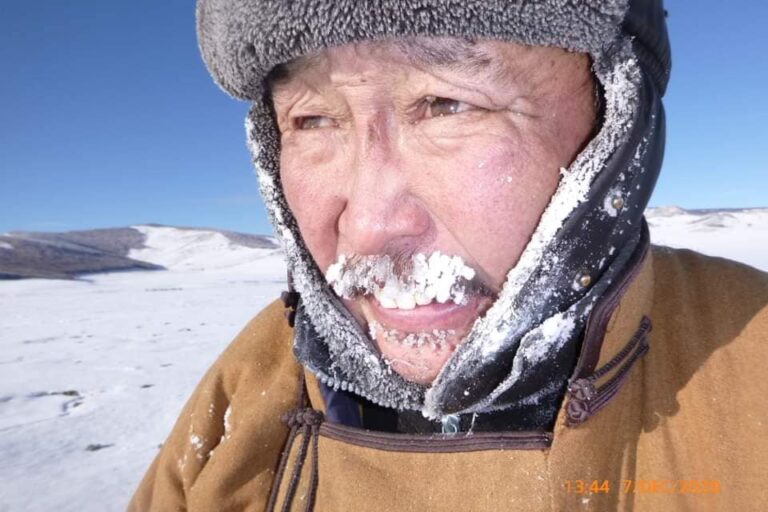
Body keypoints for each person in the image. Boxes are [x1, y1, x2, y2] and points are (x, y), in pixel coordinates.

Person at [130, 0, 768, 510]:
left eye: (446, 104)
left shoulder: (751, 358)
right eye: (312, 120)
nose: (369, 227)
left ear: (617, 127)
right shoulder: (248, 386)